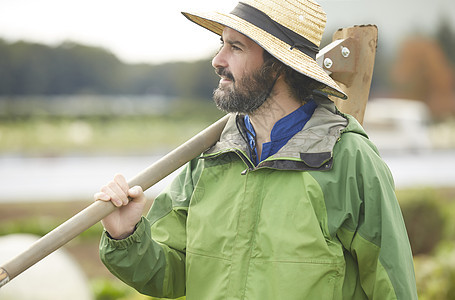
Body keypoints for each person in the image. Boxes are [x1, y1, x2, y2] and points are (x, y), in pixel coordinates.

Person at [95, 0, 418, 299]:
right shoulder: (210, 159)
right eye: (221, 44)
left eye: (235, 47)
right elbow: (171, 274)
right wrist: (128, 237)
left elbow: (393, 287)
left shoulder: (348, 158)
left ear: (278, 65)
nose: (218, 61)